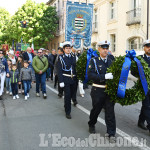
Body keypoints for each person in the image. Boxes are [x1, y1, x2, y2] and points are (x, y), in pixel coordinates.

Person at [87, 40, 116, 143]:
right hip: (98, 89)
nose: (105, 50)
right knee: (96, 109)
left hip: (109, 90)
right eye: (103, 48)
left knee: (110, 111)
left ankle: (111, 133)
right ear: (99, 49)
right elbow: (90, 75)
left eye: (106, 48)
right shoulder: (94, 61)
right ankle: (91, 123)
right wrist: (104, 76)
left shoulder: (112, 60)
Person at [57, 42, 78, 119]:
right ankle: (68, 112)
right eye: (67, 48)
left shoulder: (74, 57)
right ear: (64, 49)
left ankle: (67, 105)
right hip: (66, 79)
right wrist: (61, 81)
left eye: (69, 48)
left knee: (73, 94)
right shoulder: (61, 57)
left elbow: (76, 68)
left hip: (73, 79)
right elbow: (59, 70)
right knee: (67, 95)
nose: (68, 50)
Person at [137, 39, 150, 132]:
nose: (149, 48)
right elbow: (133, 71)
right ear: (144, 48)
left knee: (146, 106)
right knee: (146, 105)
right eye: (147, 46)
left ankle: (141, 121)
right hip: (144, 86)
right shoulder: (140, 59)